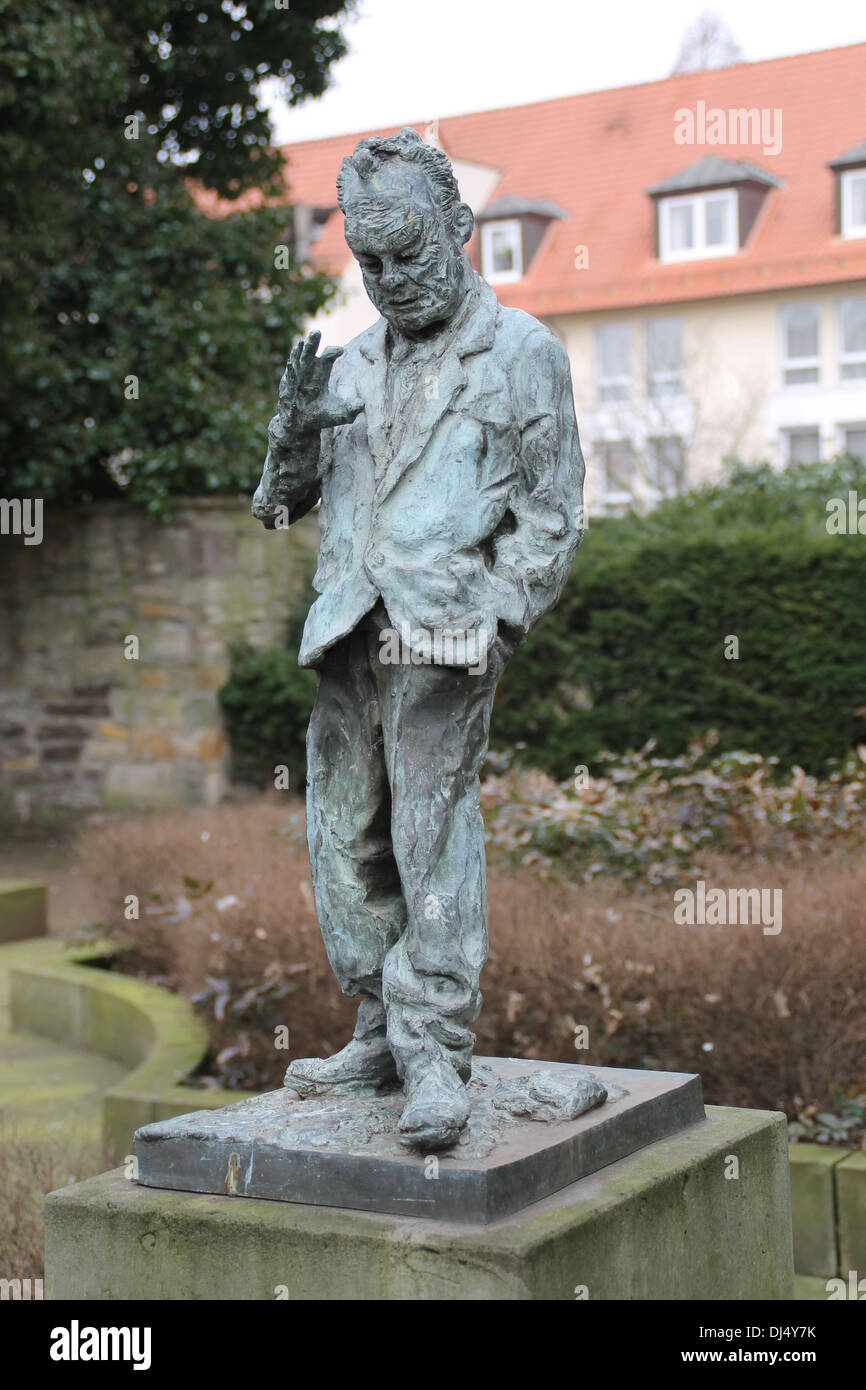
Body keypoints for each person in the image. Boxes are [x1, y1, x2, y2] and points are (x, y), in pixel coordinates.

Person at [252, 127, 584, 1149]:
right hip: (348, 631)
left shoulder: (521, 353)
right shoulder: (342, 368)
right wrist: (289, 437)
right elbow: (274, 508)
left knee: (426, 835)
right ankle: (377, 1029)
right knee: (342, 838)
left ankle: (433, 1044)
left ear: (459, 229)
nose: (390, 280)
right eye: (370, 264)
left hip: (446, 633)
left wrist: (498, 612)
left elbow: (553, 515)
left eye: (410, 255)